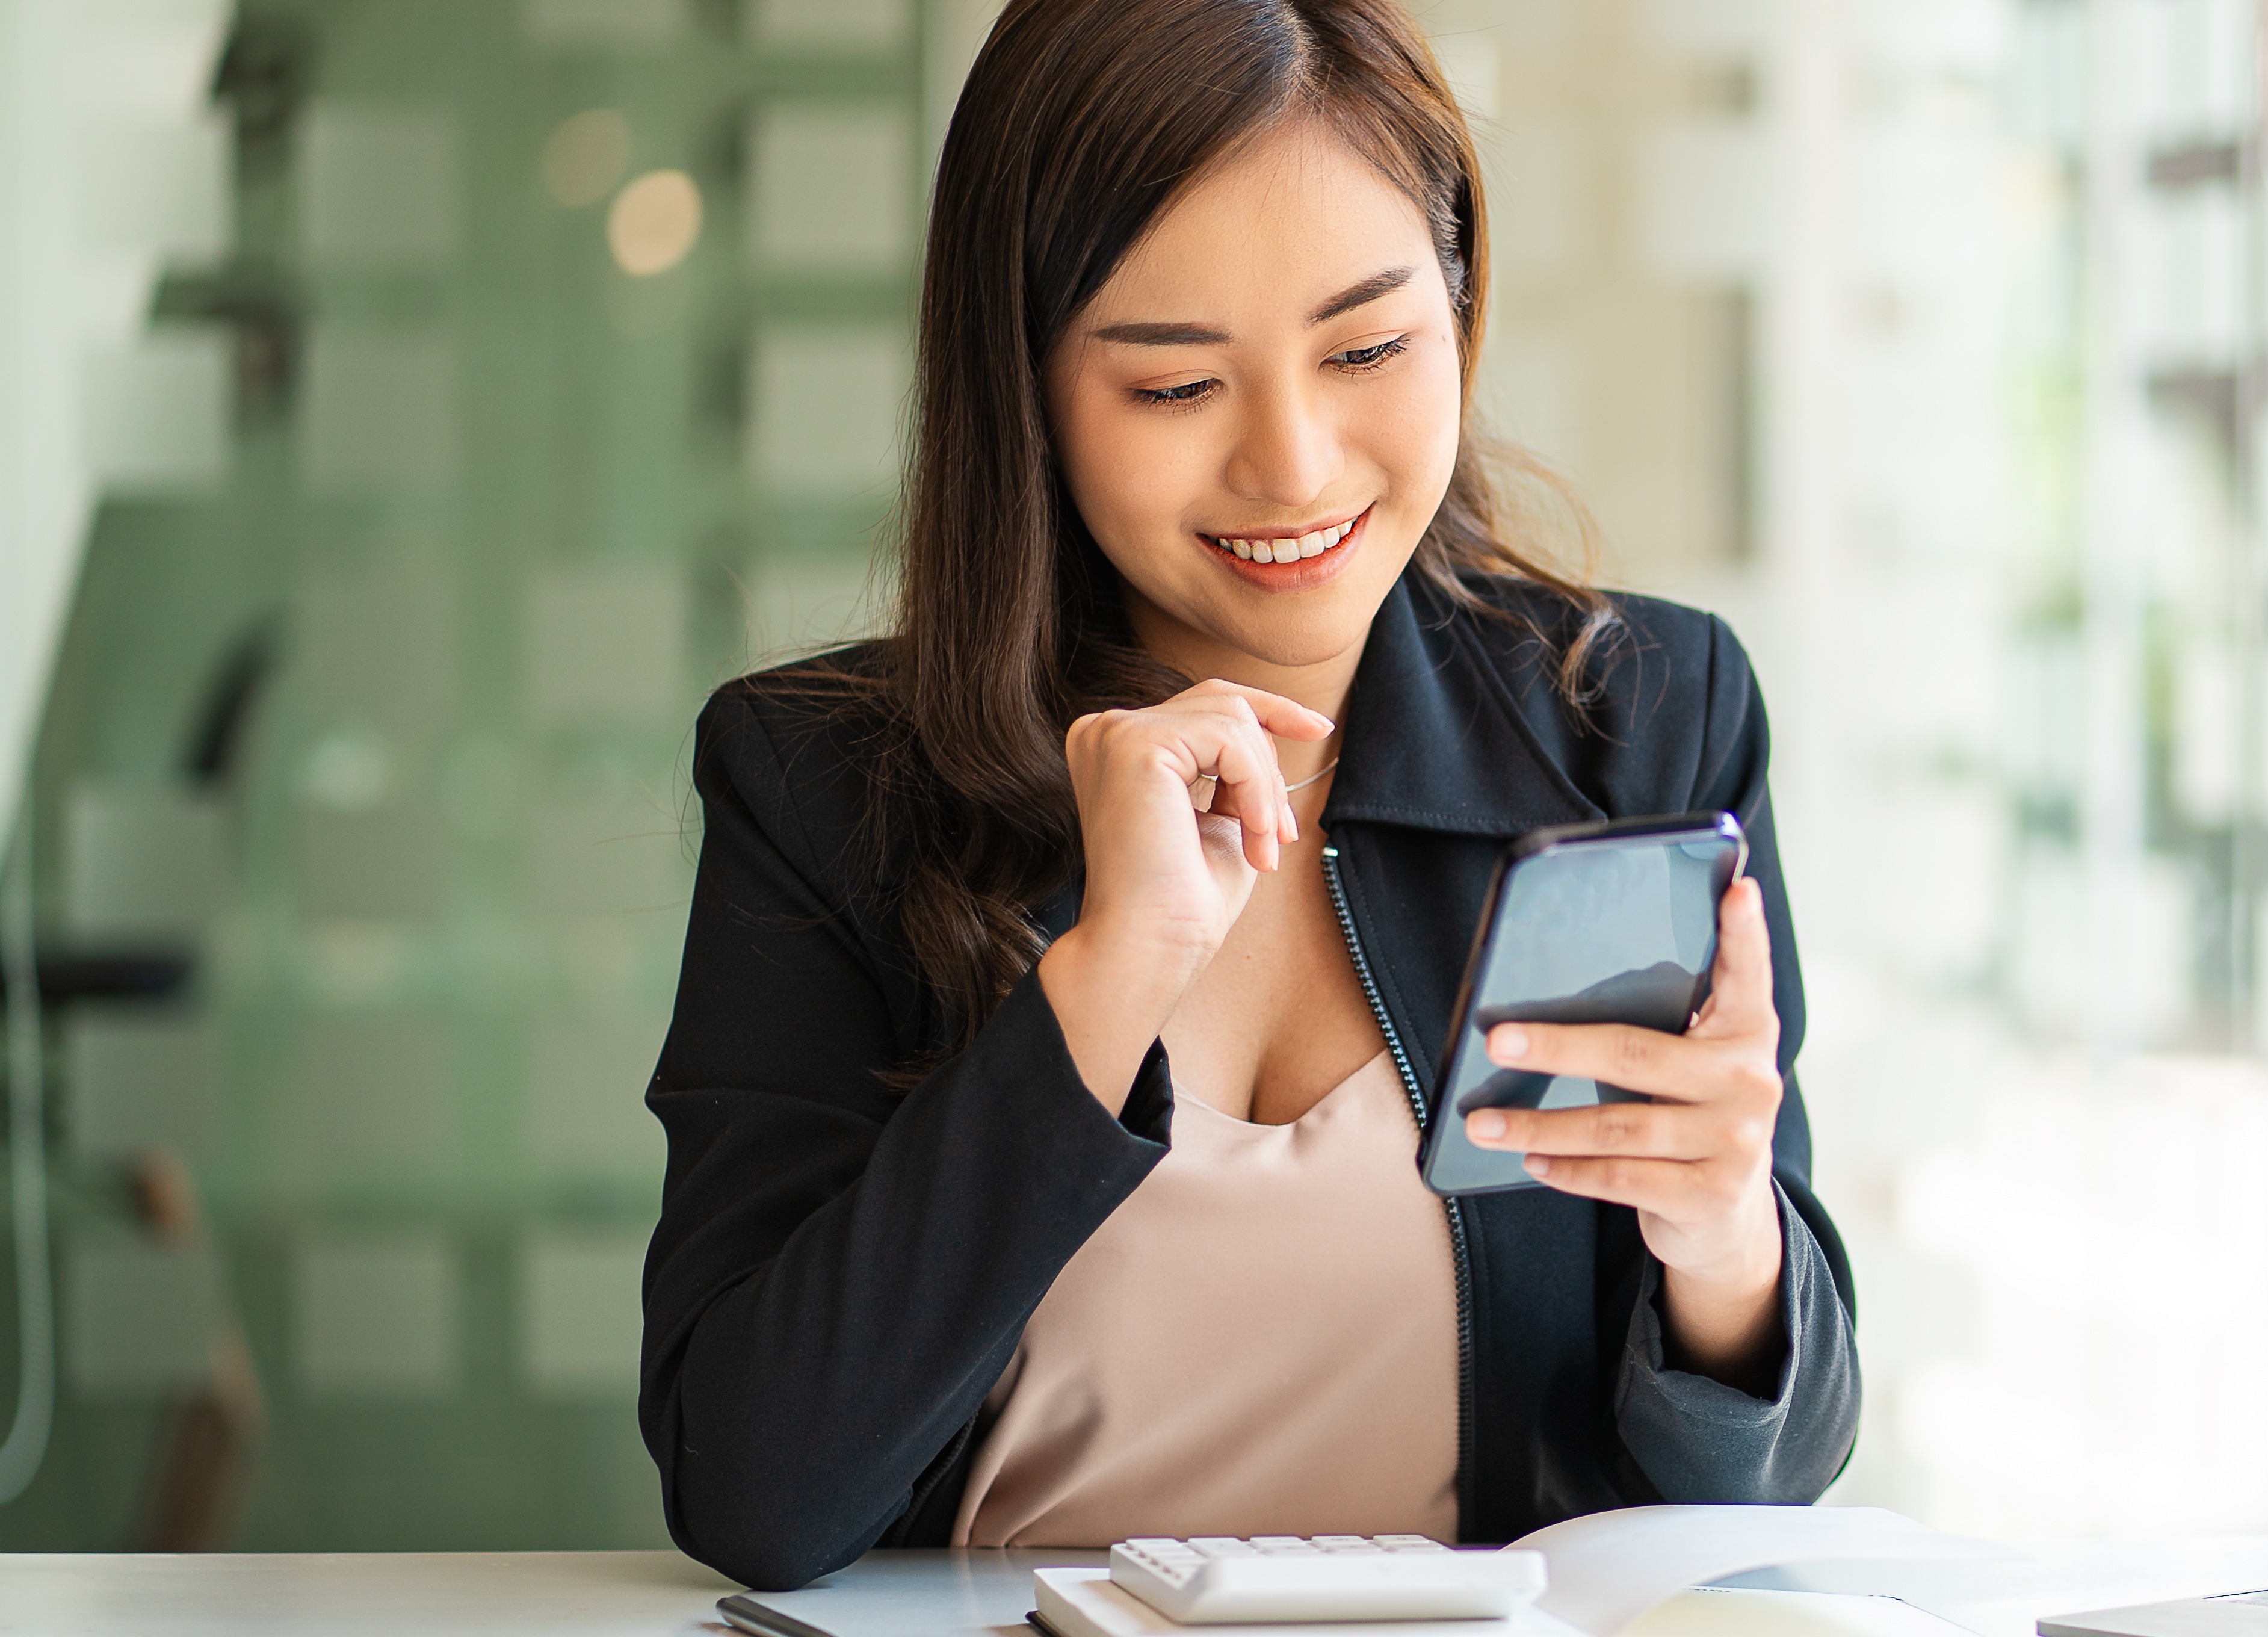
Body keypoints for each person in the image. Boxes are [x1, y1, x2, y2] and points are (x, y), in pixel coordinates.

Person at [636, 0, 1858, 1592]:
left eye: (1366, 349)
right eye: (1170, 386)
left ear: (1463, 302)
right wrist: (1101, 983)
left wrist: (1724, 1246)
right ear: (1027, 385)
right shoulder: (826, 784)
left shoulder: (1638, 728)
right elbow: (755, 1492)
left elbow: (1765, 1483)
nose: (1290, 465)